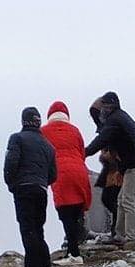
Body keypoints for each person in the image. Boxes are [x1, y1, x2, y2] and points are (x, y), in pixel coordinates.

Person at [83, 92, 135, 247]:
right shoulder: (121, 118)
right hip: (133, 166)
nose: (102, 111)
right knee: (121, 201)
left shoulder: (115, 121)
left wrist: (82, 152)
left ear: (110, 106)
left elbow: (100, 141)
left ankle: (132, 238)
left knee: (128, 201)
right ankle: (119, 235)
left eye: (104, 107)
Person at [3, 106, 57, 267]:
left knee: (28, 228)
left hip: (24, 187)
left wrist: (11, 183)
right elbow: (53, 174)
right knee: (38, 228)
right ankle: (45, 266)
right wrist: (42, 182)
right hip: (41, 189)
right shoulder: (48, 146)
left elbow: (11, 163)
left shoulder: (17, 138)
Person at [42, 101, 93, 257]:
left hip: (60, 173)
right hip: (79, 171)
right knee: (77, 208)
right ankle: (76, 244)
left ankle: (73, 253)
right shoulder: (75, 131)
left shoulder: (43, 131)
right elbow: (81, 152)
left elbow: (42, 154)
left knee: (65, 213)